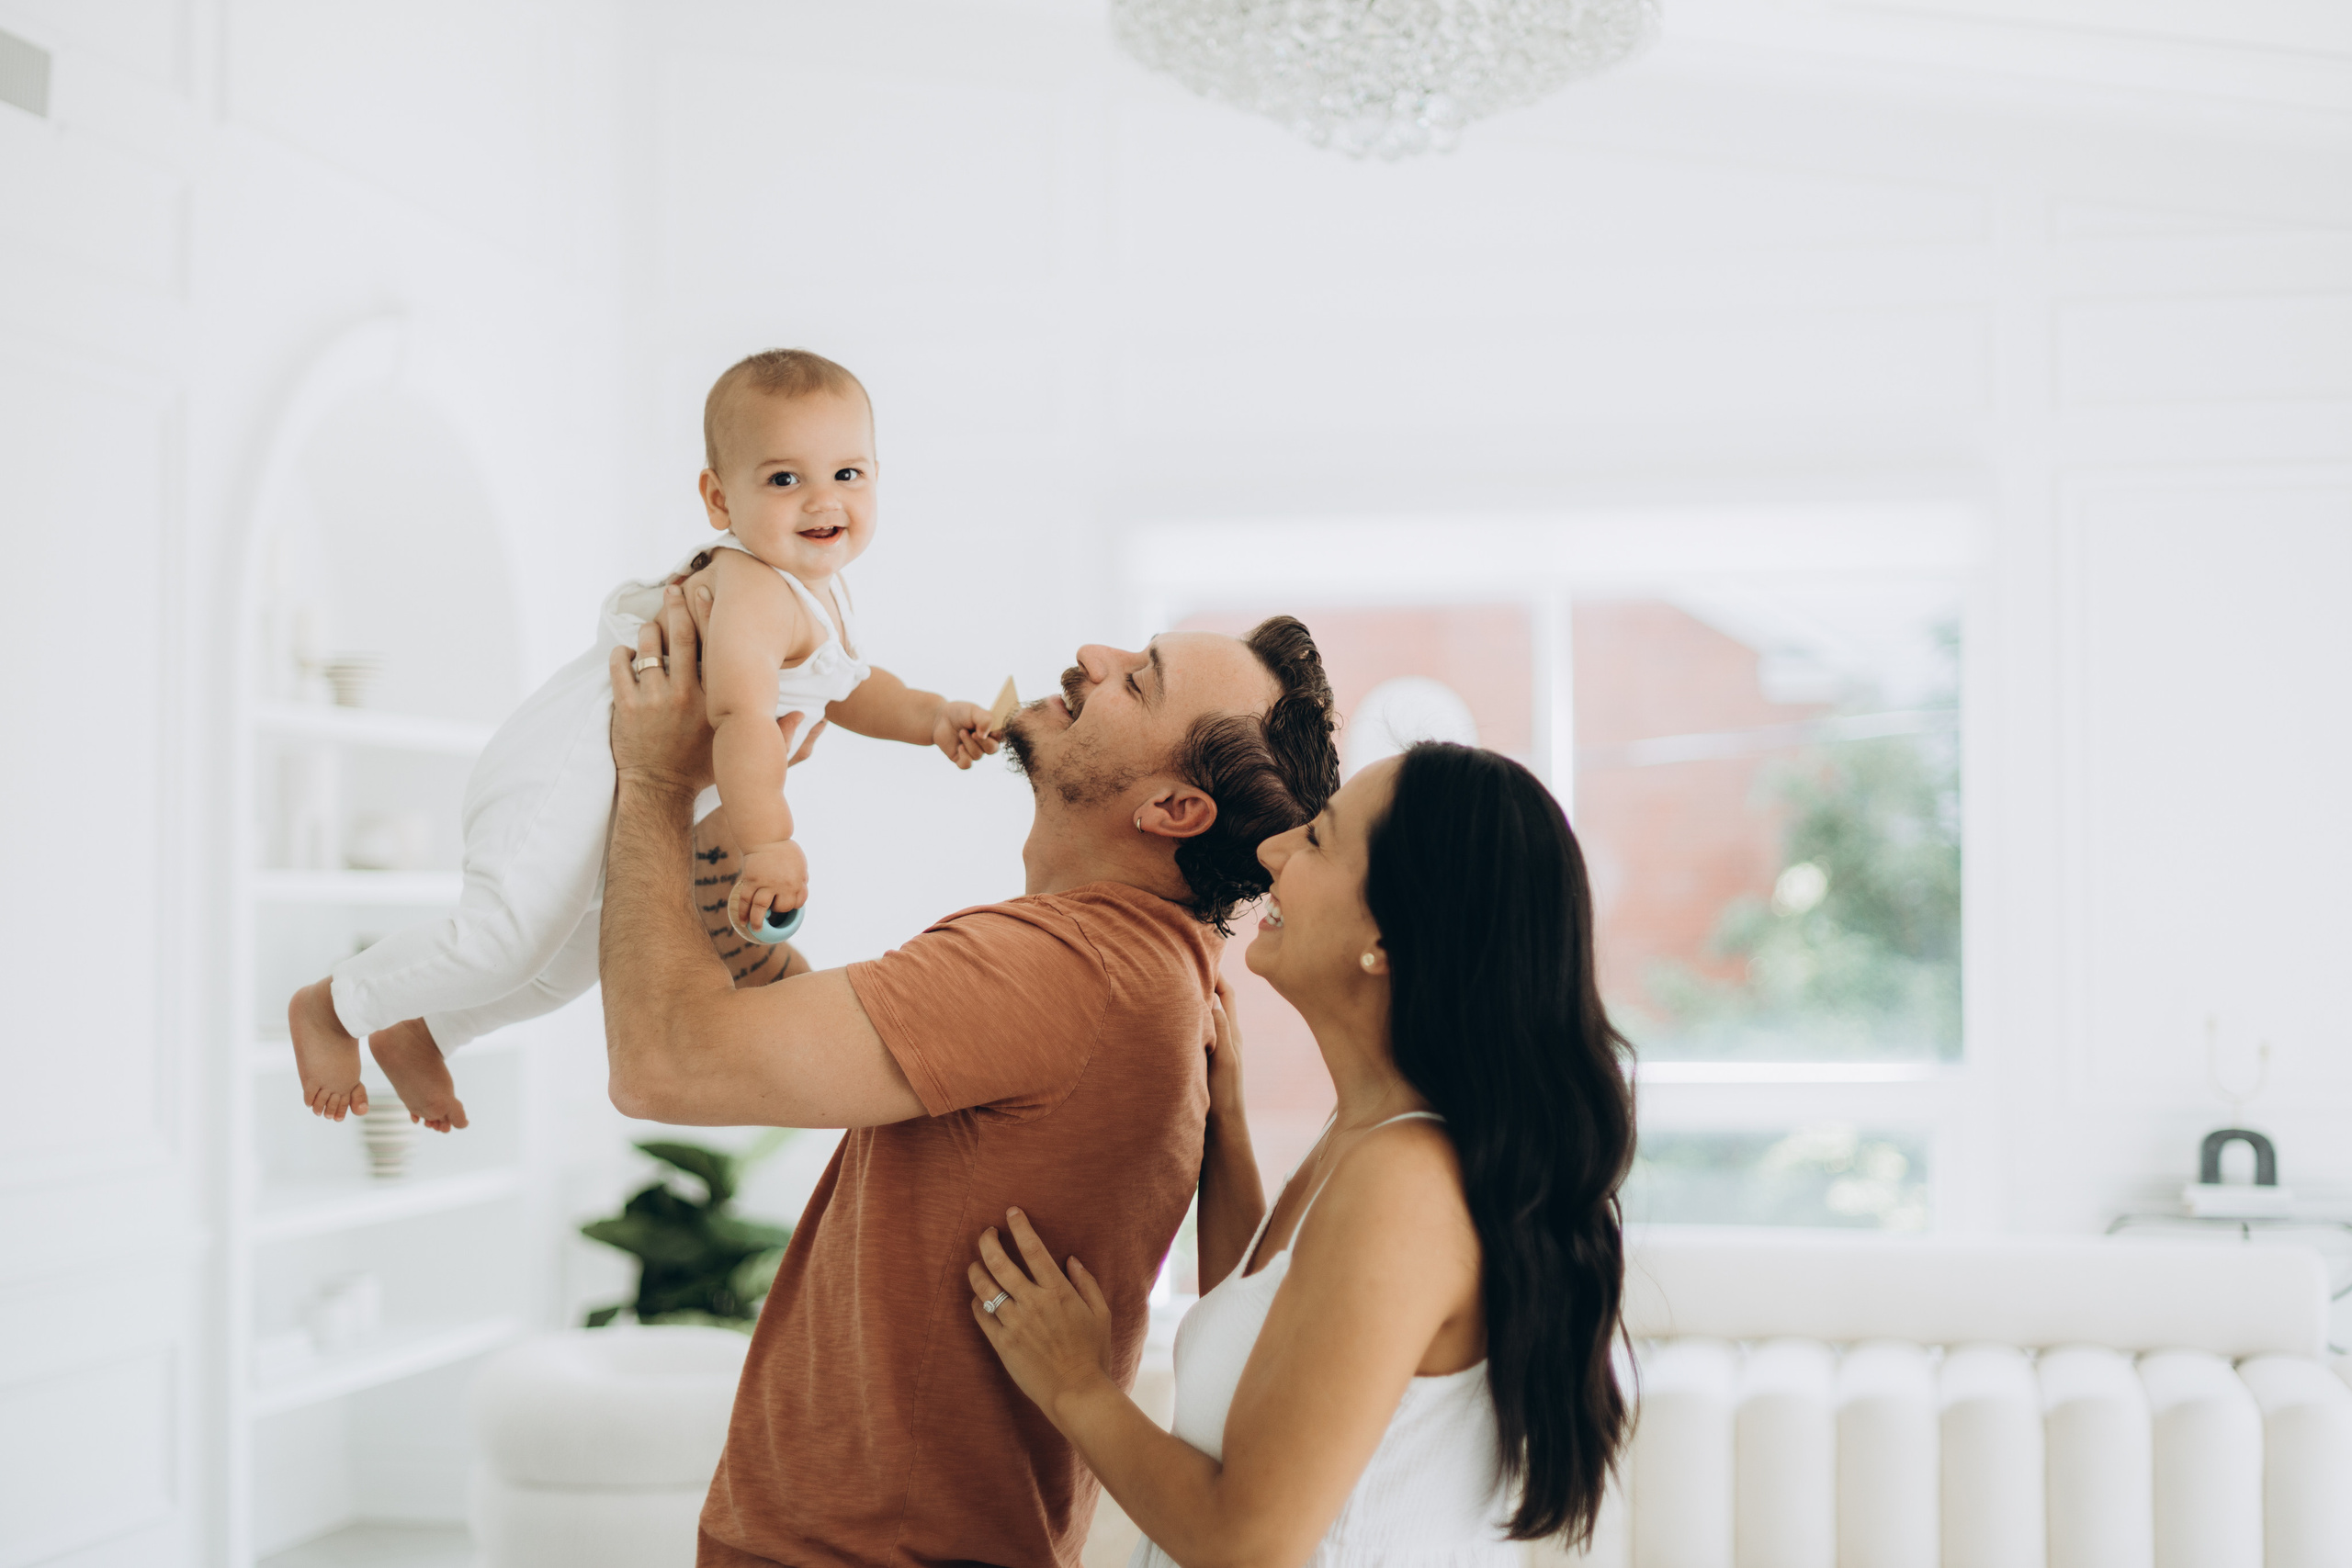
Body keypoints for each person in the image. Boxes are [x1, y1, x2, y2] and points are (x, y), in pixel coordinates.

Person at [599, 585, 1343, 1568]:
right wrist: (715, 828)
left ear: (1172, 808)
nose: (1092, 653)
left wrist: (651, 780)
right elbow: (793, 1040)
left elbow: (664, 1065)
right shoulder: (1144, 970)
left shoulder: (1066, 966)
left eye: (1140, 678)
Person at [286, 349, 1001, 1131]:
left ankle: (425, 1025)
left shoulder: (817, 588)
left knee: (567, 965)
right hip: (563, 768)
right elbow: (742, 717)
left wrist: (932, 717)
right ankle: (333, 1005)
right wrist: (768, 843)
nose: (822, 500)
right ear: (719, 497)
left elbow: (854, 686)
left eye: (849, 474)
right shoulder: (757, 588)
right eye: (784, 479)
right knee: (507, 938)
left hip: (618, 786)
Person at [967, 742, 1637, 1567]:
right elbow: (1266, 1344)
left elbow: (1249, 1539)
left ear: (1388, 934)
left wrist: (1075, 1384)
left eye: (1317, 839)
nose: (1272, 850)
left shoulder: (1407, 1184)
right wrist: (1224, 1125)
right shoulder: (1374, 1140)